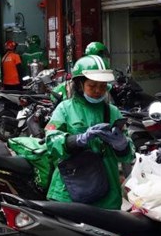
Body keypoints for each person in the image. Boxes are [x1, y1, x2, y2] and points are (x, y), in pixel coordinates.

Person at [44, 55, 134, 210]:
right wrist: (77, 140)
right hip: (69, 194)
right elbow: (51, 142)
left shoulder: (113, 112)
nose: (98, 91)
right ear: (80, 84)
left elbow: (129, 154)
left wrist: (122, 145)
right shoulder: (64, 109)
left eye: (103, 86)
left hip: (107, 196)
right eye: (92, 86)